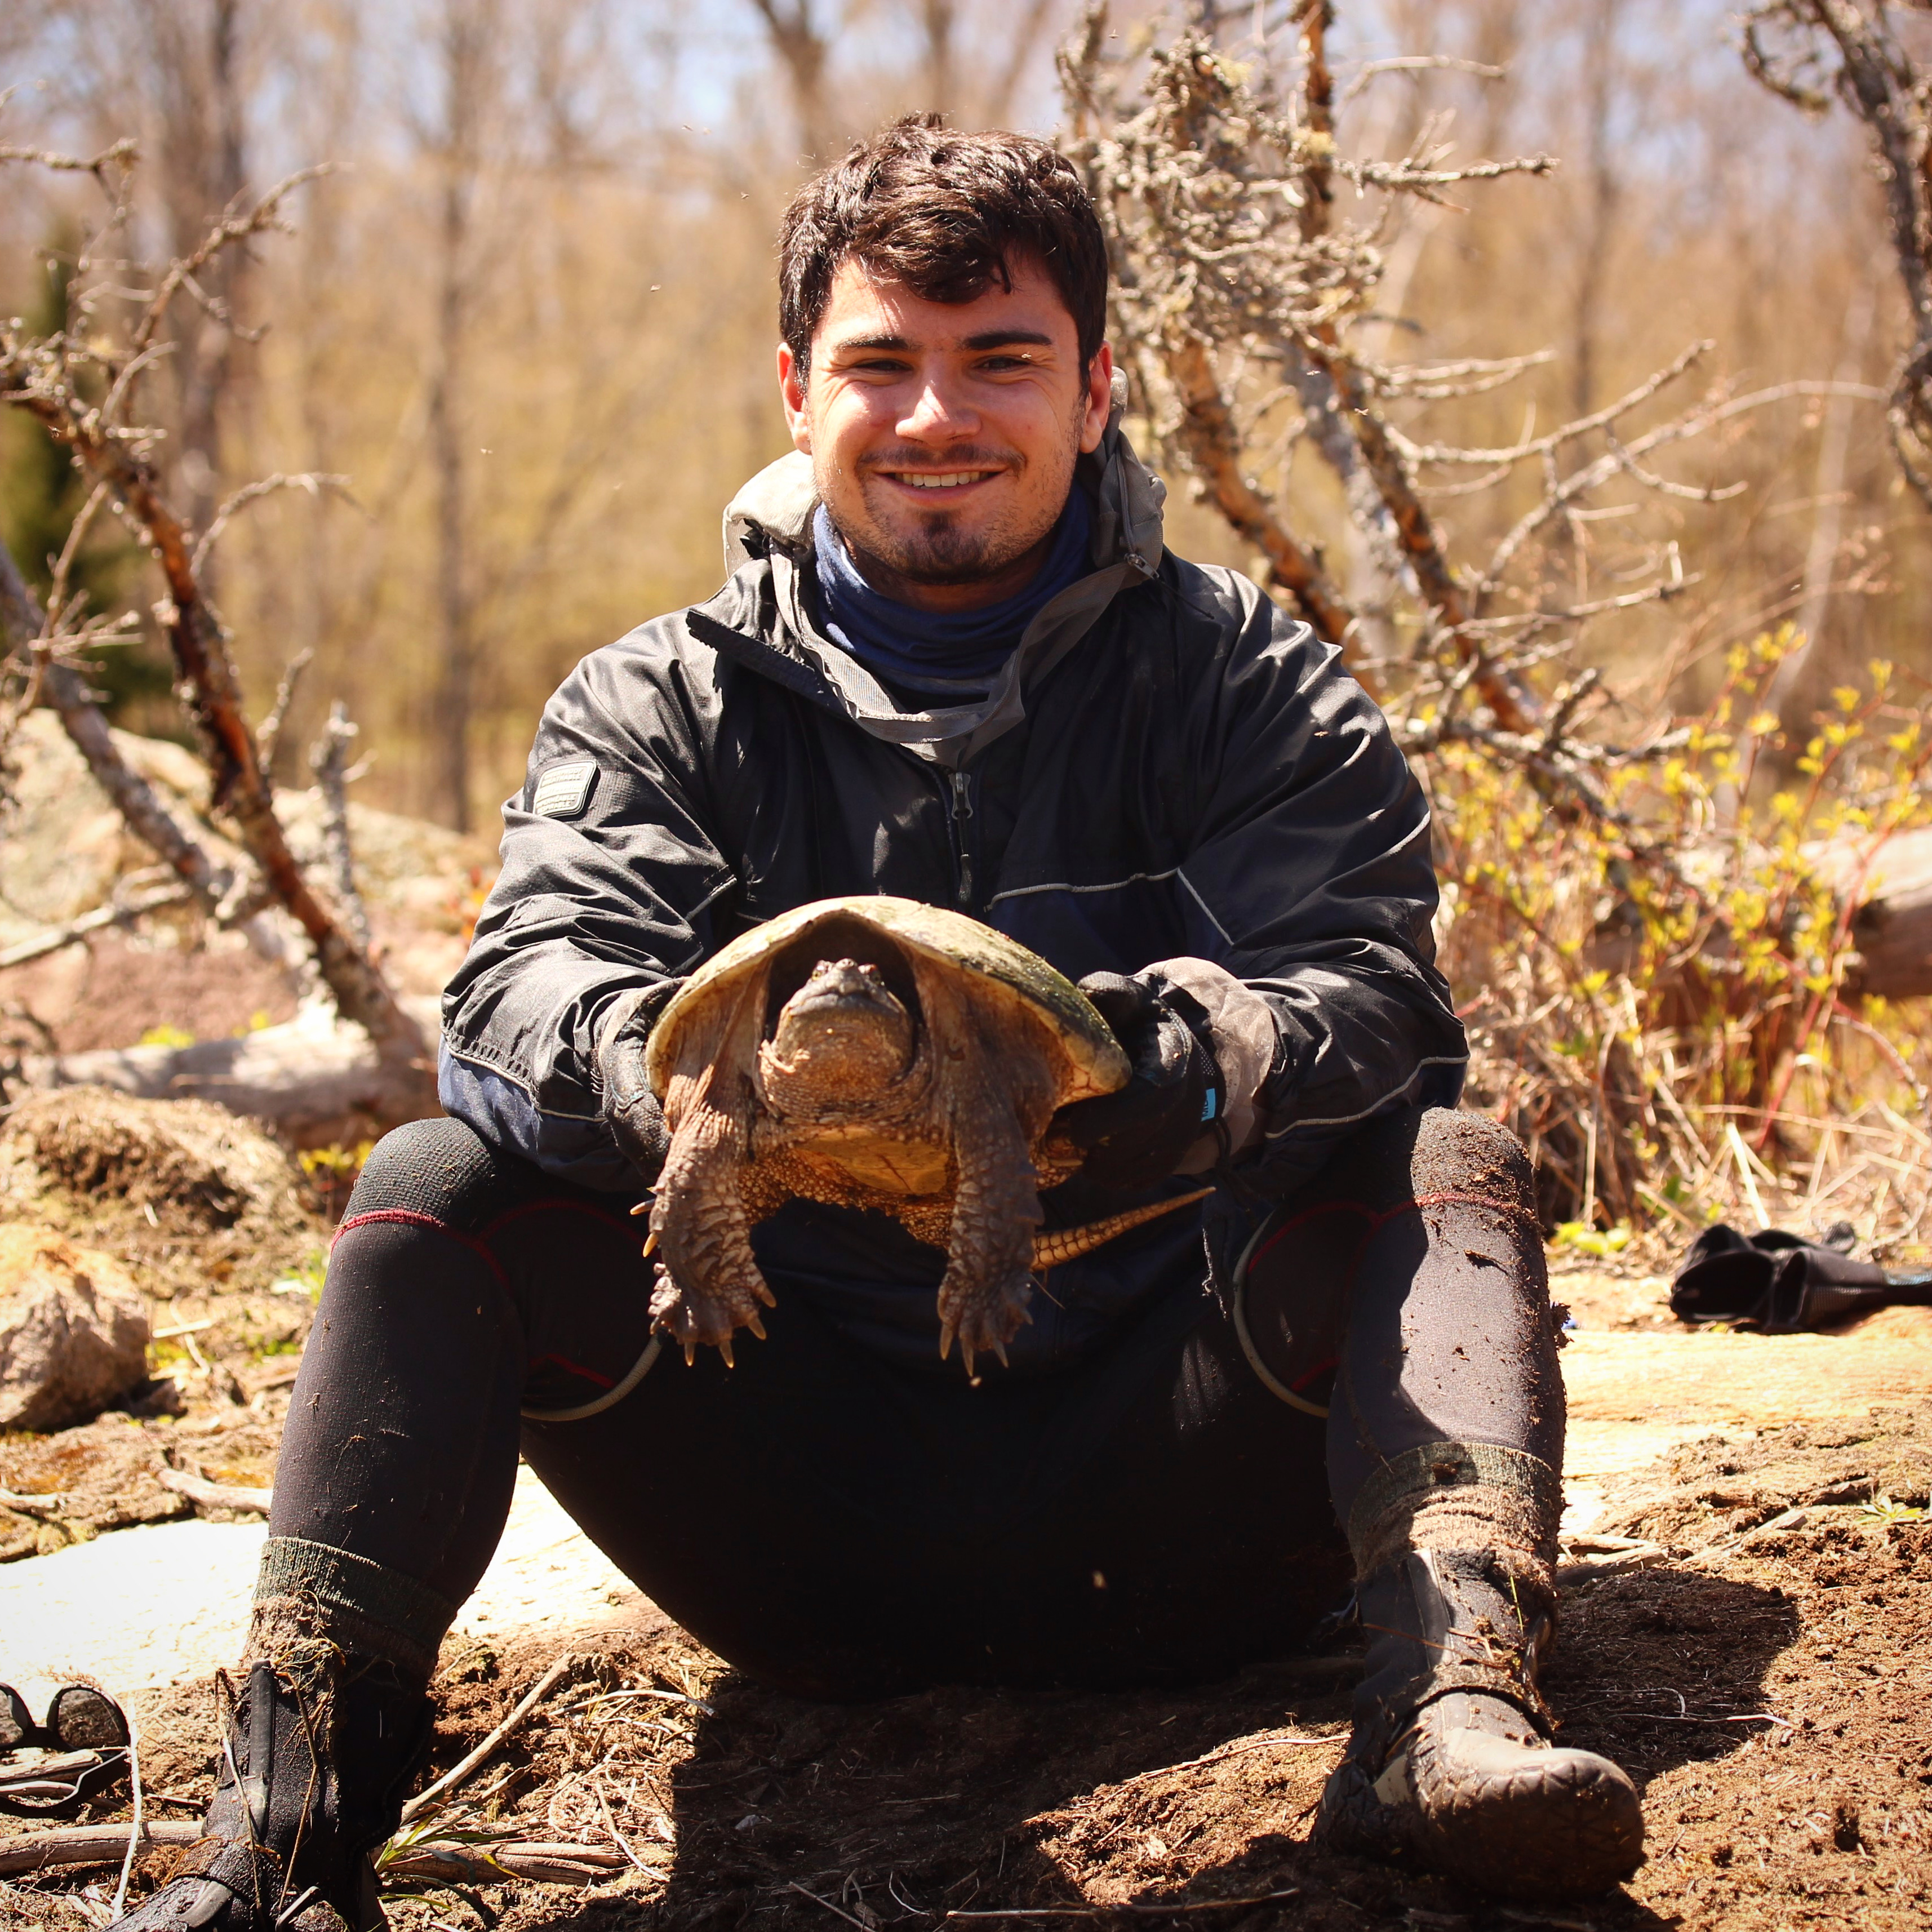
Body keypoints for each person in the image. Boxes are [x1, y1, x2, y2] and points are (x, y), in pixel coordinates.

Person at [112, 119, 1643, 1932]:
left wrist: (1160, 1077)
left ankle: (1451, 1709)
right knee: (434, 1184)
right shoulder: (654, 708)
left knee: (1440, 1156)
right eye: (880, 366)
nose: (938, 417)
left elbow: (1376, 996)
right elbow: (516, 1000)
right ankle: (283, 1838)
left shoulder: (1241, 678)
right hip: (790, 1490)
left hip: (1186, 1481)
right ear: (793, 388)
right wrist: (700, 1097)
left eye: (1000, 359)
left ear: (1094, 390)